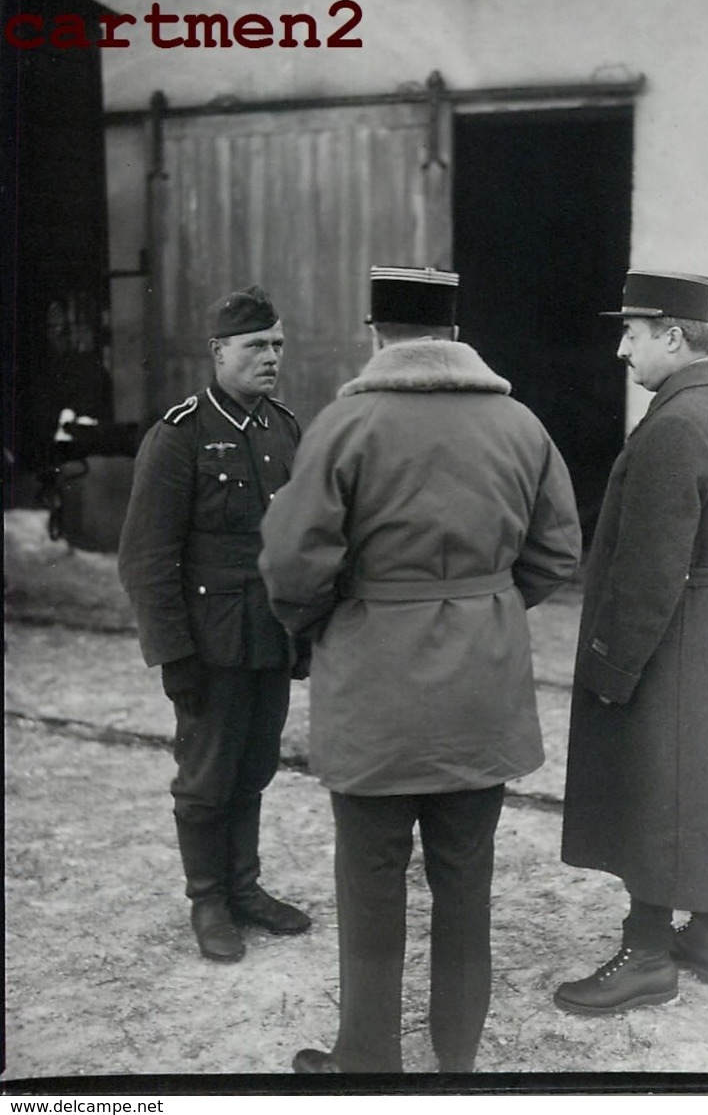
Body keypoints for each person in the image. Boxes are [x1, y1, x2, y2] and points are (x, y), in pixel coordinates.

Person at [258, 266, 582, 1073]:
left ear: (377, 333)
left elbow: (294, 565)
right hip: (483, 693)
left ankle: (367, 1067)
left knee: (370, 889)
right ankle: (457, 1069)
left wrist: (328, 624)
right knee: (466, 890)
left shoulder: (343, 425)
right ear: (453, 334)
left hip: (374, 697)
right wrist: (485, 610)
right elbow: (555, 554)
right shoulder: (520, 424)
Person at [555, 270, 708, 1015]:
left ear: (671, 335)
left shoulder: (675, 424)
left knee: (654, 786)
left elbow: (648, 569)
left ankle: (647, 954)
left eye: (630, 334)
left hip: (669, 638)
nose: (623, 351)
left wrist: (611, 666)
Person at [118, 285, 311, 963]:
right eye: (256, 345)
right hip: (210, 644)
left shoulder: (284, 428)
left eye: (278, 345)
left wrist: (304, 634)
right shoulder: (180, 434)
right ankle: (207, 900)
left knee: (254, 766)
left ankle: (244, 887)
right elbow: (145, 557)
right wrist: (173, 654)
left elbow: (300, 540)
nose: (270, 357)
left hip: (270, 638)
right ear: (218, 351)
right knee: (205, 777)